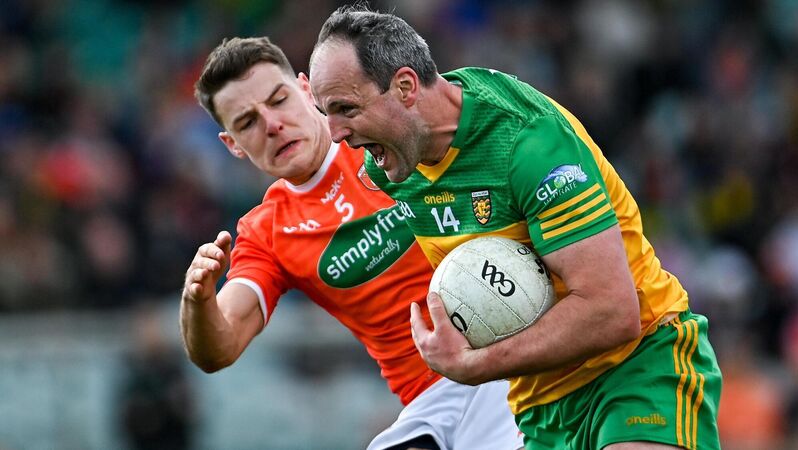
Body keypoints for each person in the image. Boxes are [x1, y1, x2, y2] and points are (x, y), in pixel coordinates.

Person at [309, 6, 722, 450]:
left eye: (345, 109)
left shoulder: (528, 143)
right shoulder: (393, 161)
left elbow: (612, 311)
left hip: (638, 363)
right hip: (539, 402)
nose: (335, 133)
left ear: (406, 86)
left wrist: (474, 365)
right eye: (325, 112)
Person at [181, 36, 524, 450]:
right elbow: (219, 348)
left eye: (279, 100)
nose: (272, 124)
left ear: (306, 90)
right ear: (233, 144)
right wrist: (198, 301)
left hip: (506, 351)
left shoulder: (389, 134)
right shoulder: (266, 233)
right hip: (430, 399)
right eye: (247, 122)